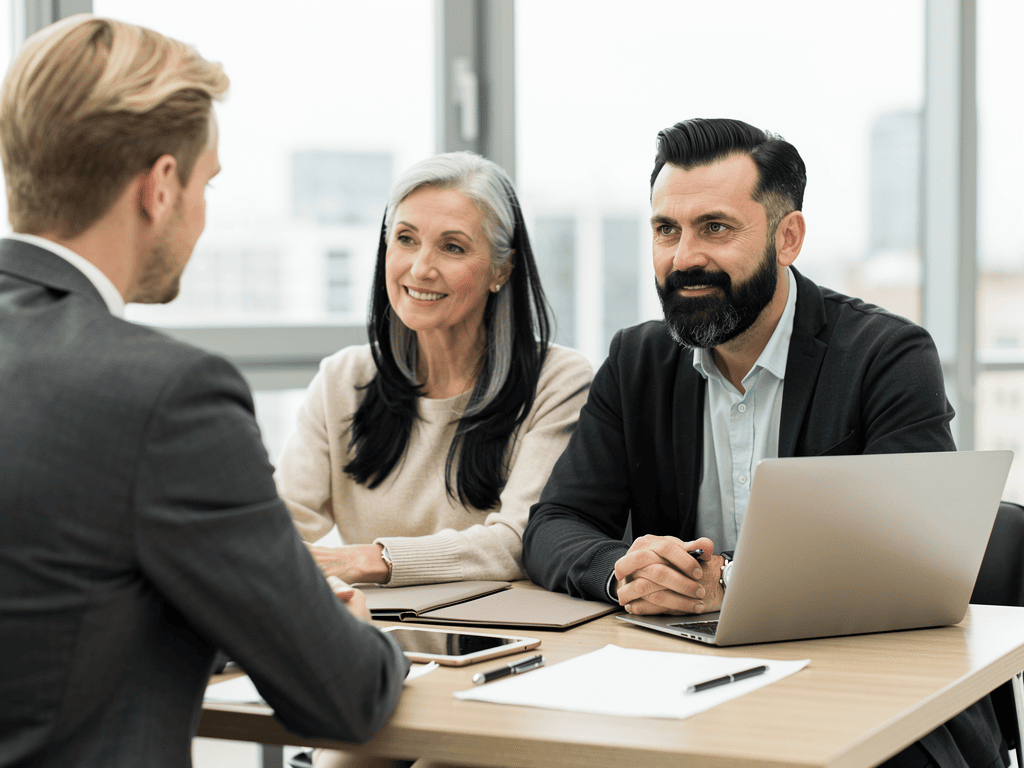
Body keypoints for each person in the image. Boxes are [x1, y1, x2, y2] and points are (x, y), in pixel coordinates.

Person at [522, 118, 1007, 768]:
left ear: (788, 238)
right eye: (666, 230)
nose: (683, 258)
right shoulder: (636, 361)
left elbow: (911, 561)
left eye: (715, 228)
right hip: (681, 684)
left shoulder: (887, 356)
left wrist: (726, 579)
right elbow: (555, 524)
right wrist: (625, 570)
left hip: (871, 684)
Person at [0, 15, 408, 768]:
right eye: (207, 183)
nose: (203, 212)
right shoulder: (165, 396)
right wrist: (346, 632)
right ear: (160, 186)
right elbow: (345, 694)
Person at [275, 151, 592, 588]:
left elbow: (520, 540)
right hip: (371, 621)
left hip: (493, 623)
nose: (421, 268)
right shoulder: (343, 378)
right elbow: (280, 522)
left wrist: (370, 560)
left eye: (452, 247)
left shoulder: (558, 382)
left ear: (502, 268)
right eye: (406, 239)